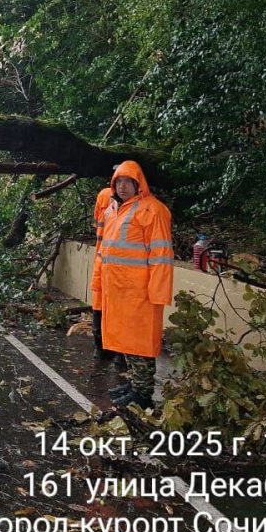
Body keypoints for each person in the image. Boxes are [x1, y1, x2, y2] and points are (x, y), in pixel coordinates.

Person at [90, 161, 173, 410]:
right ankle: (134, 385)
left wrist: (157, 293)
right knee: (127, 342)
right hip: (118, 291)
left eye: (128, 182)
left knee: (141, 344)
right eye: (119, 182)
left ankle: (143, 394)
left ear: (139, 185)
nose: (123, 187)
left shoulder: (153, 211)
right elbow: (104, 252)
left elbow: (161, 257)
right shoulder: (115, 211)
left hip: (140, 293)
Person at [90, 184, 118, 361]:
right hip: (108, 265)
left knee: (100, 309)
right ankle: (116, 354)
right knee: (106, 310)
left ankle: (101, 350)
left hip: (105, 263)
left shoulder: (103, 196)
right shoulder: (136, 207)